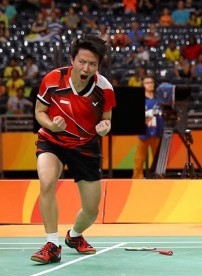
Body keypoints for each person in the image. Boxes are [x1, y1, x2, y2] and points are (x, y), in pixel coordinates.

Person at [30, 34, 116, 264]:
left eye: (92, 64)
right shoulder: (52, 80)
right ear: (72, 59)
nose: (86, 68)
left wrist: (104, 127)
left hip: (85, 147)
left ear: (98, 65)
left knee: (91, 210)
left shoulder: (104, 88)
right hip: (53, 141)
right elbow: (40, 112)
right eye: (82, 61)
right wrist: (50, 125)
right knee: (47, 182)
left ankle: (74, 236)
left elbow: (107, 119)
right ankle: (52, 244)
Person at [132, 75, 164, 179]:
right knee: (139, 159)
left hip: (157, 132)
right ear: (143, 85)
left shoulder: (159, 100)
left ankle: (159, 177)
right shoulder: (139, 99)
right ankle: (137, 179)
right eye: (147, 82)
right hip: (143, 133)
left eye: (151, 82)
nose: (150, 84)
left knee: (158, 159)